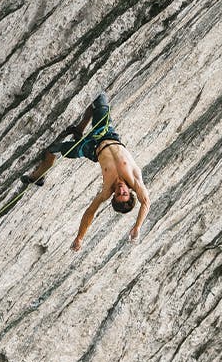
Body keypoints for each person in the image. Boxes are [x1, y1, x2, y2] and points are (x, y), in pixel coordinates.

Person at [23, 92, 149, 250]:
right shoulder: (135, 179)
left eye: (118, 195)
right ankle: (79, 129)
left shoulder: (106, 191)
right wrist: (137, 227)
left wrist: (80, 237)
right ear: (130, 193)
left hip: (91, 149)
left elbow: (90, 212)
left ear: (114, 196)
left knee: (52, 150)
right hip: (107, 133)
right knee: (100, 99)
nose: (121, 190)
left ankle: (37, 177)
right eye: (124, 193)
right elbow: (146, 202)